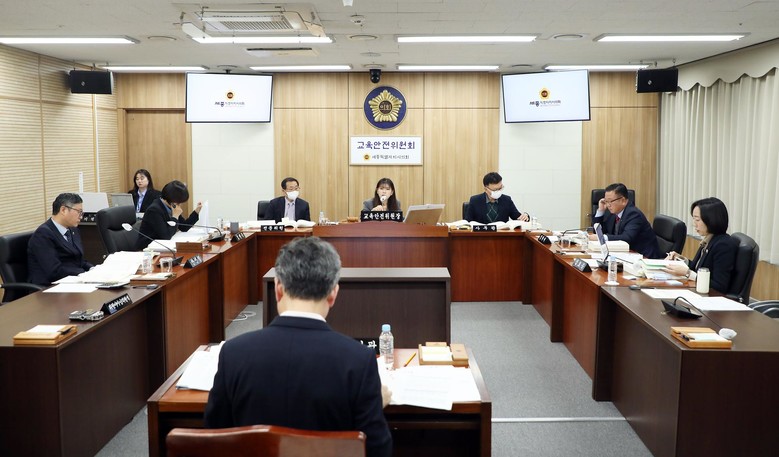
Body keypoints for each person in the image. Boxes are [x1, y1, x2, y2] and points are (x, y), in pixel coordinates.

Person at [204, 237, 392, 457]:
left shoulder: (234, 353)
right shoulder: (358, 360)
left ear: (278, 289)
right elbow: (378, 449)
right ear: (333, 294)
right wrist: (373, 403)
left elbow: (214, 438)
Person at [664, 197, 738, 292]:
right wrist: (682, 260)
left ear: (711, 220)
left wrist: (687, 273)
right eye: (694, 219)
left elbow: (719, 286)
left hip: (710, 297)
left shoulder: (724, 245)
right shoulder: (709, 239)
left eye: (697, 220)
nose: (694, 224)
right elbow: (698, 267)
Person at [27, 193, 94, 285]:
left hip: (74, 282)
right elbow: (54, 271)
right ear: (63, 210)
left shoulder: (73, 230)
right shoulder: (43, 235)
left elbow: (79, 260)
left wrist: (93, 269)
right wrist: (83, 274)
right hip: (49, 288)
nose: (81, 216)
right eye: (79, 212)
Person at [590, 183, 661, 259]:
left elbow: (626, 238)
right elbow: (599, 231)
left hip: (644, 257)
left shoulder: (633, 214)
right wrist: (600, 211)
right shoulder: (613, 212)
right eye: (606, 201)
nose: (608, 205)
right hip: (625, 254)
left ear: (623, 200)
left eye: (610, 201)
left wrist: (602, 238)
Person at [134, 180, 202, 250]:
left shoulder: (170, 206)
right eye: (178, 202)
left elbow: (184, 227)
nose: (179, 205)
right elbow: (166, 236)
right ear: (171, 199)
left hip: (161, 246)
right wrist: (175, 217)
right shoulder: (154, 210)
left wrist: (196, 212)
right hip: (147, 248)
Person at [465, 172, 530, 224]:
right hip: (481, 235)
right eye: (495, 190)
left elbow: (518, 218)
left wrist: (525, 216)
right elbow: (468, 222)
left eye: (500, 188)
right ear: (486, 189)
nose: (498, 192)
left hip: (501, 236)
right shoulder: (475, 200)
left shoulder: (507, 200)